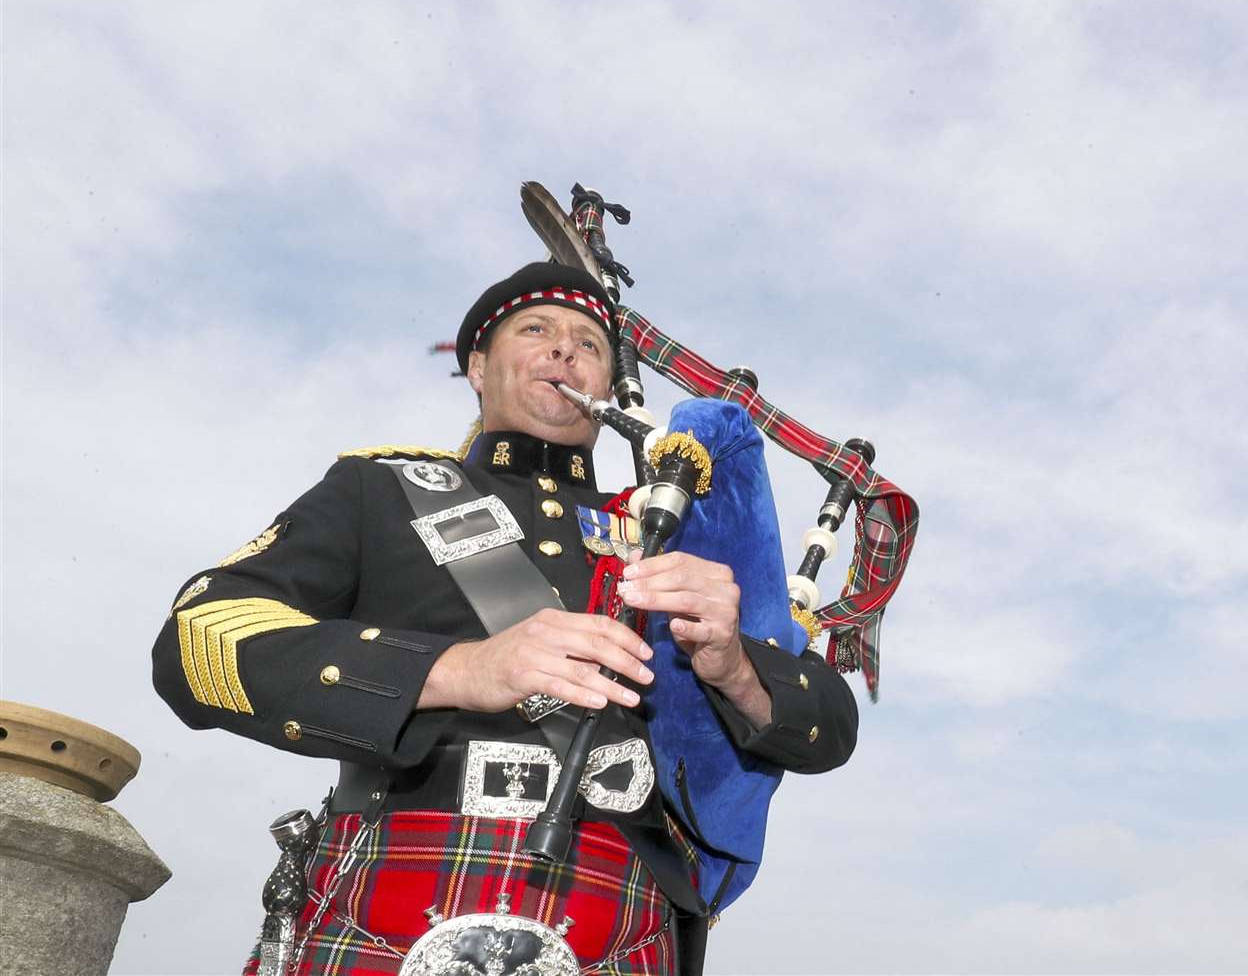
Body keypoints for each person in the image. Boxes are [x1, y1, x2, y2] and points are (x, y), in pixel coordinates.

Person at [152, 260, 857, 975]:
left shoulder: (662, 532)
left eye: (589, 343)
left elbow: (830, 724)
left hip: (622, 906)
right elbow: (197, 639)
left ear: (607, 387)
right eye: (537, 330)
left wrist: (733, 666)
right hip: (396, 873)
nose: (565, 349)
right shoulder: (382, 489)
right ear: (478, 369)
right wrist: (457, 669)